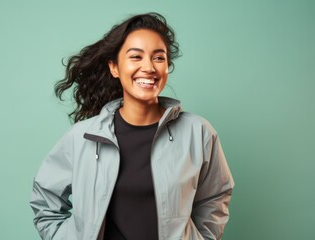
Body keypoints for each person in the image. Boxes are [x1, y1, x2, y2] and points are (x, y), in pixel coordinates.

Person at [30, 12, 234, 240]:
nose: (149, 67)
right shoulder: (83, 137)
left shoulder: (198, 133)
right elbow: (44, 201)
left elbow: (215, 196)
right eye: (136, 57)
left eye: (158, 58)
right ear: (114, 68)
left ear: (167, 67)